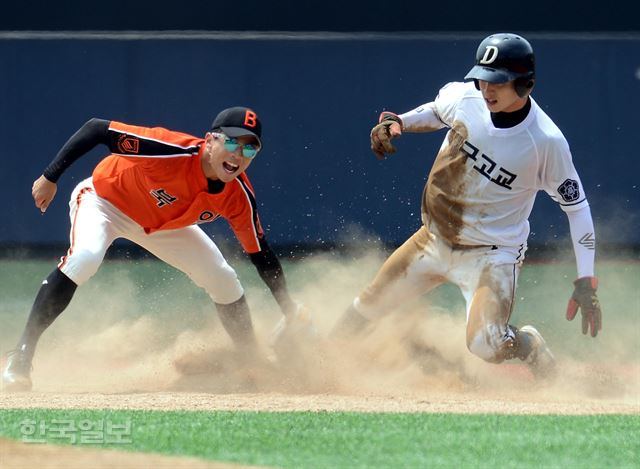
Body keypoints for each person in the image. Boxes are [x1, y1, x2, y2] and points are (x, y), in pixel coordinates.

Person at [332, 33, 603, 379]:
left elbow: (577, 208)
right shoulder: (466, 97)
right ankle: (319, 360)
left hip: (491, 255)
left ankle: (527, 344)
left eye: (498, 81)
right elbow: (435, 110)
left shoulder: (546, 143)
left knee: (484, 345)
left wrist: (585, 280)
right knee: (369, 303)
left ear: (526, 84)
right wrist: (399, 121)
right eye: (482, 77)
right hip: (432, 238)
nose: (486, 88)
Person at [2, 106, 309, 392]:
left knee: (223, 278)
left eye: (250, 147)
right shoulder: (169, 149)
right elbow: (97, 129)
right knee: (84, 258)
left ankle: (250, 361)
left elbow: (261, 255)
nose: (239, 154)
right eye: (232, 143)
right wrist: (50, 176)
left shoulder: (238, 195)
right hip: (105, 202)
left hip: (161, 226)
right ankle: (21, 356)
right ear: (211, 141)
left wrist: (289, 308)